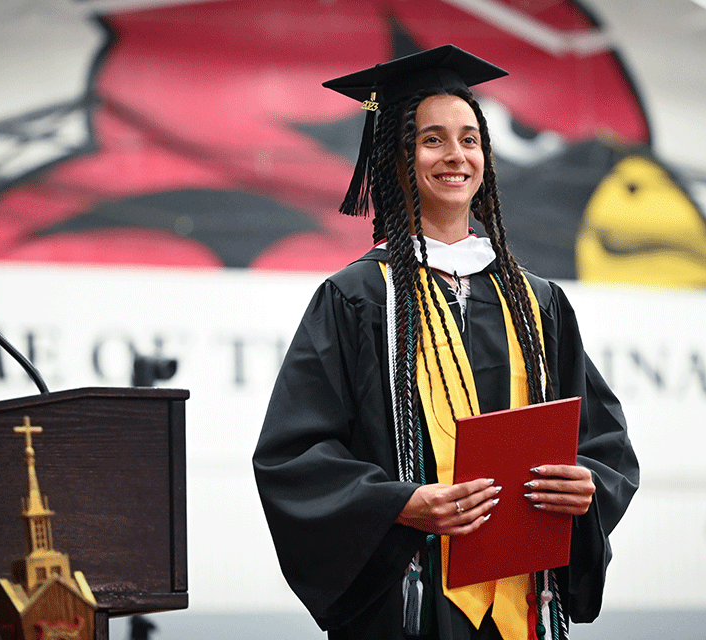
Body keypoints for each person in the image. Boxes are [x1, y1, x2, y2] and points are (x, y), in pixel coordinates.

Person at [253, 45, 638, 640]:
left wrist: (587, 483)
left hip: (523, 602)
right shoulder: (357, 298)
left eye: (470, 138)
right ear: (396, 158)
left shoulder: (537, 303)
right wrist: (397, 505)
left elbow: (602, 443)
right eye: (432, 140)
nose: (455, 155)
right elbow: (294, 457)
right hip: (410, 602)